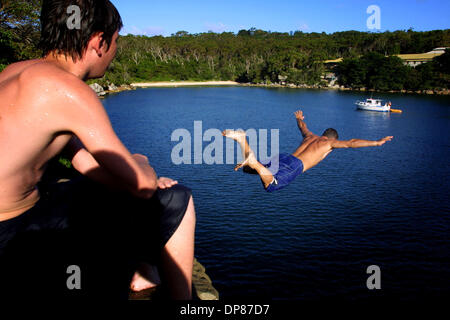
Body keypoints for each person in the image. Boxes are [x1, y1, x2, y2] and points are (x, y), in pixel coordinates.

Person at [0, 0, 195, 300]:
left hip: (19, 216)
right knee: (176, 199)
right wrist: (141, 164)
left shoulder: (16, 71)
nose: (114, 51)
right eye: (115, 41)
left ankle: (139, 266)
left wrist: (130, 176)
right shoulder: (68, 89)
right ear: (98, 42)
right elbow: (142, 185)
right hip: (14, 234)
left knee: (103, 194)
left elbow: (83, 161)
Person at [223, 110, 393, 192]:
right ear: (332, 138)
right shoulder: (329, 144)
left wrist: (298, 118)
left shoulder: (309, 136)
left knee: (248, 170)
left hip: (285, 157)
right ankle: (252, 159)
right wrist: (376, 142)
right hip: (295, 166)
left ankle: (244, 145)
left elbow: (303, 126)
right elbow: (351, 143)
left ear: (323, 134)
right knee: (271, 184)